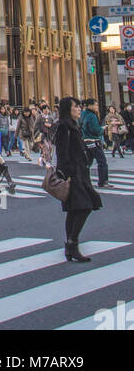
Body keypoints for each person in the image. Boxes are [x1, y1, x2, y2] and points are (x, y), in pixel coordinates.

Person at [55, 96, 102, 263]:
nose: (79, 109)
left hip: (80, 172)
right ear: (68, 109)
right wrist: (67, 174)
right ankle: (72, 243)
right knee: (85, 205)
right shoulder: (64, 126)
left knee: (76, 208)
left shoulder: (73, 125)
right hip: (73, 174)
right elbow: (61, 152)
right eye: (76, 106)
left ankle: (70, 245)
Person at [79, 97, 109, 188]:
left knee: (87, 162)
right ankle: (103, 181)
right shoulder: (92, 116)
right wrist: (102, 129)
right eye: (95, 105)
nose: (97, 106)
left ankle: (84, 180)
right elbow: (95, 130)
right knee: (102, 162)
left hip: (85, 141)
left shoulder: (82, 114)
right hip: (94, 140)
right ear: (90, 105)